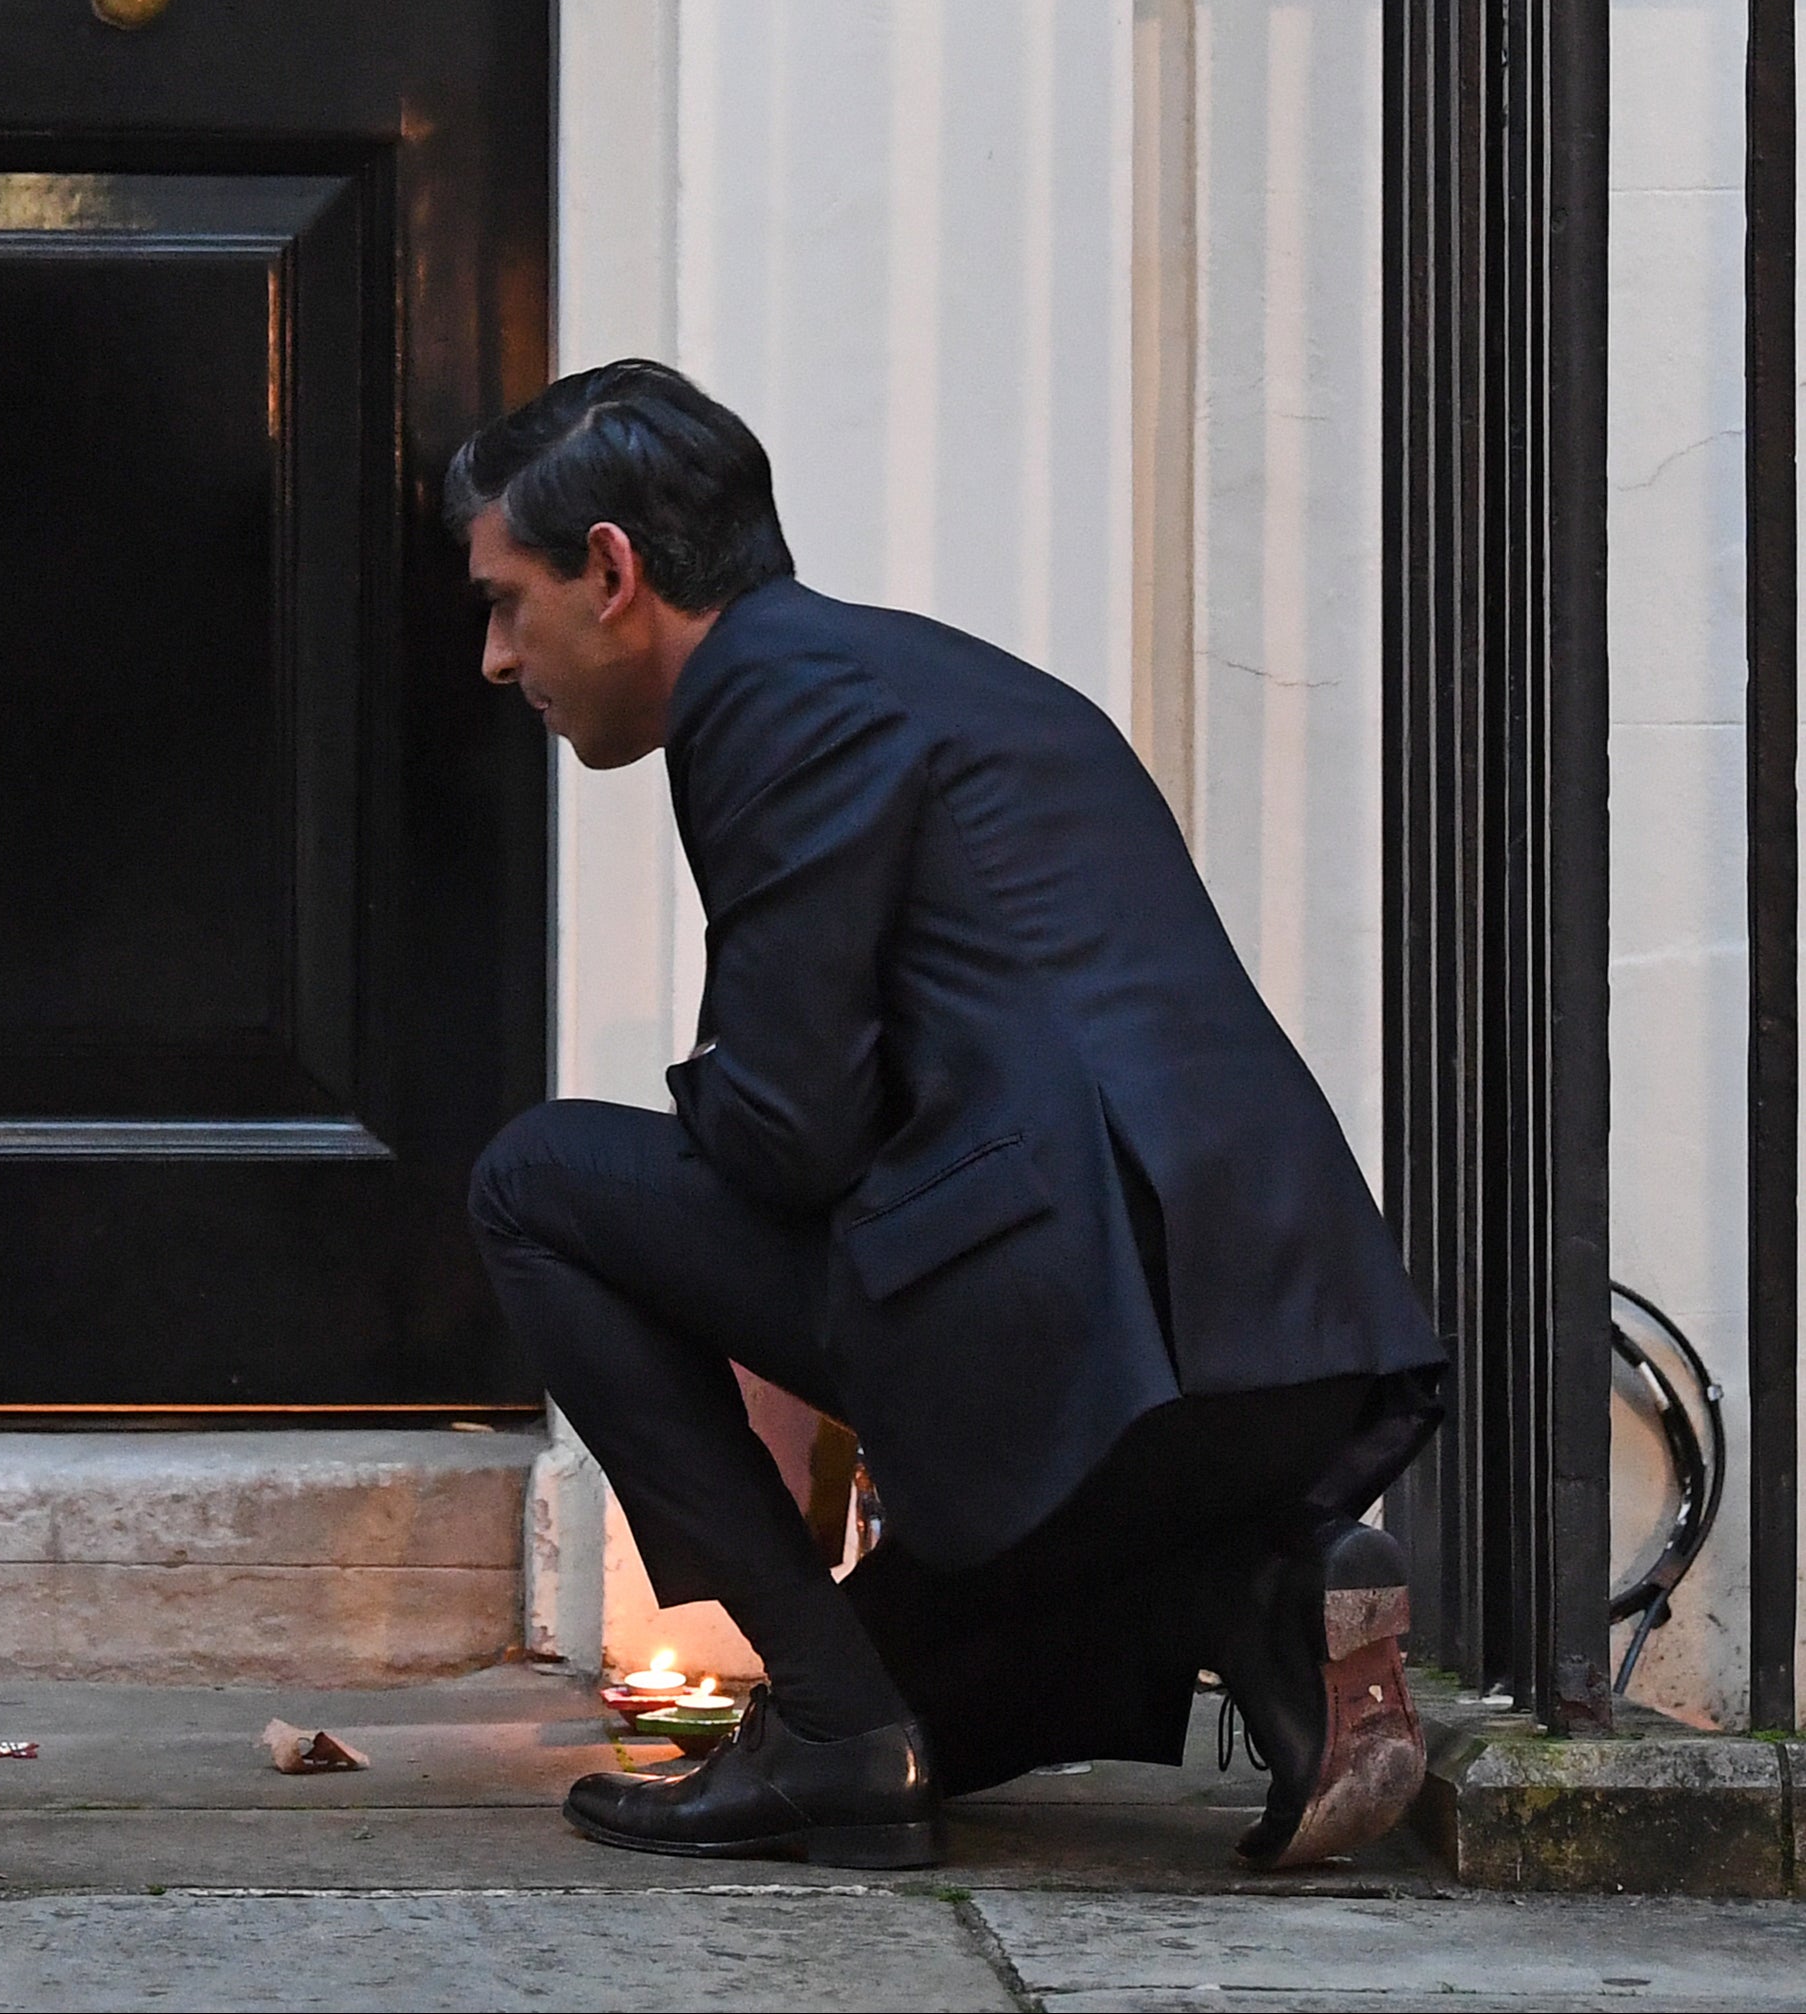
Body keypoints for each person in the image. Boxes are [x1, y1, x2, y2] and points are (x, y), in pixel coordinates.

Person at [453, 360, 1447, 1872]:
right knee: (925, 1708)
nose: (491, 654)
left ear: (611, 572)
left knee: (534, 1179)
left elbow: (784, 1133)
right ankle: (1253, 1586)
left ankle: (834, 1723)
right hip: (1278, 1357)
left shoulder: (767, 705)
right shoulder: (937, 673)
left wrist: (717, 1220)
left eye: (505, 599)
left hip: (1092, 1349)